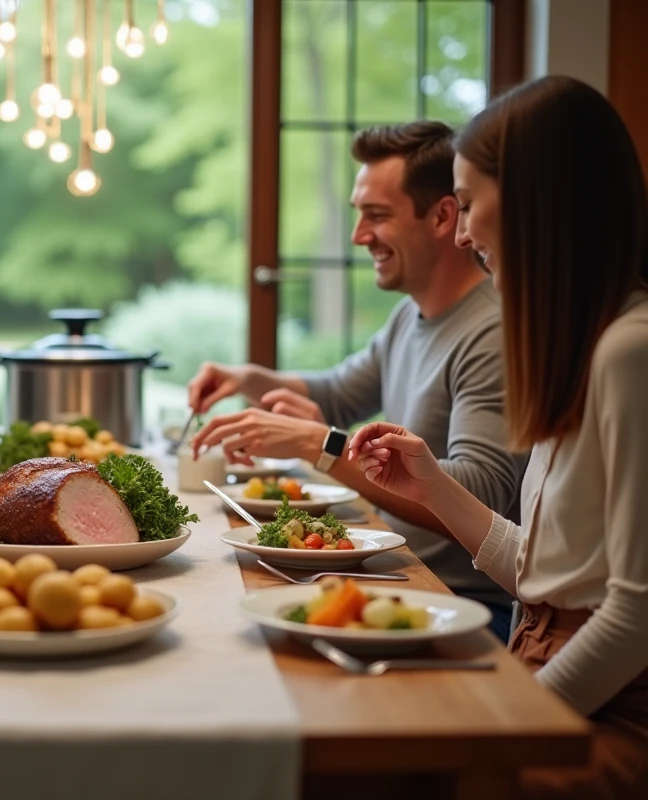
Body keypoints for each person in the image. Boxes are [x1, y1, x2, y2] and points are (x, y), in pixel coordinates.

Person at [348, 76, 648, 799]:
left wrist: (515, 718)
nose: (462, 234)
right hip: (543, 658)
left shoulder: (629, 352)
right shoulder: (579, 347)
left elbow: (637, 615)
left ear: (536, 206)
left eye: (471, 203)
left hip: (614, 709)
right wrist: (432, 487)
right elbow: (545, 574)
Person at [189, 121, 526, 640]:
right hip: (399, 577)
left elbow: (483, 492)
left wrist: (319, 445)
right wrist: (246, 377)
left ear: (443, 217)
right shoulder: (411, 316)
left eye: (377, 215)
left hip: (461, 604)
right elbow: (338, 394)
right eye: (358, 214)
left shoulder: (491, 331)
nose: (358, 235)